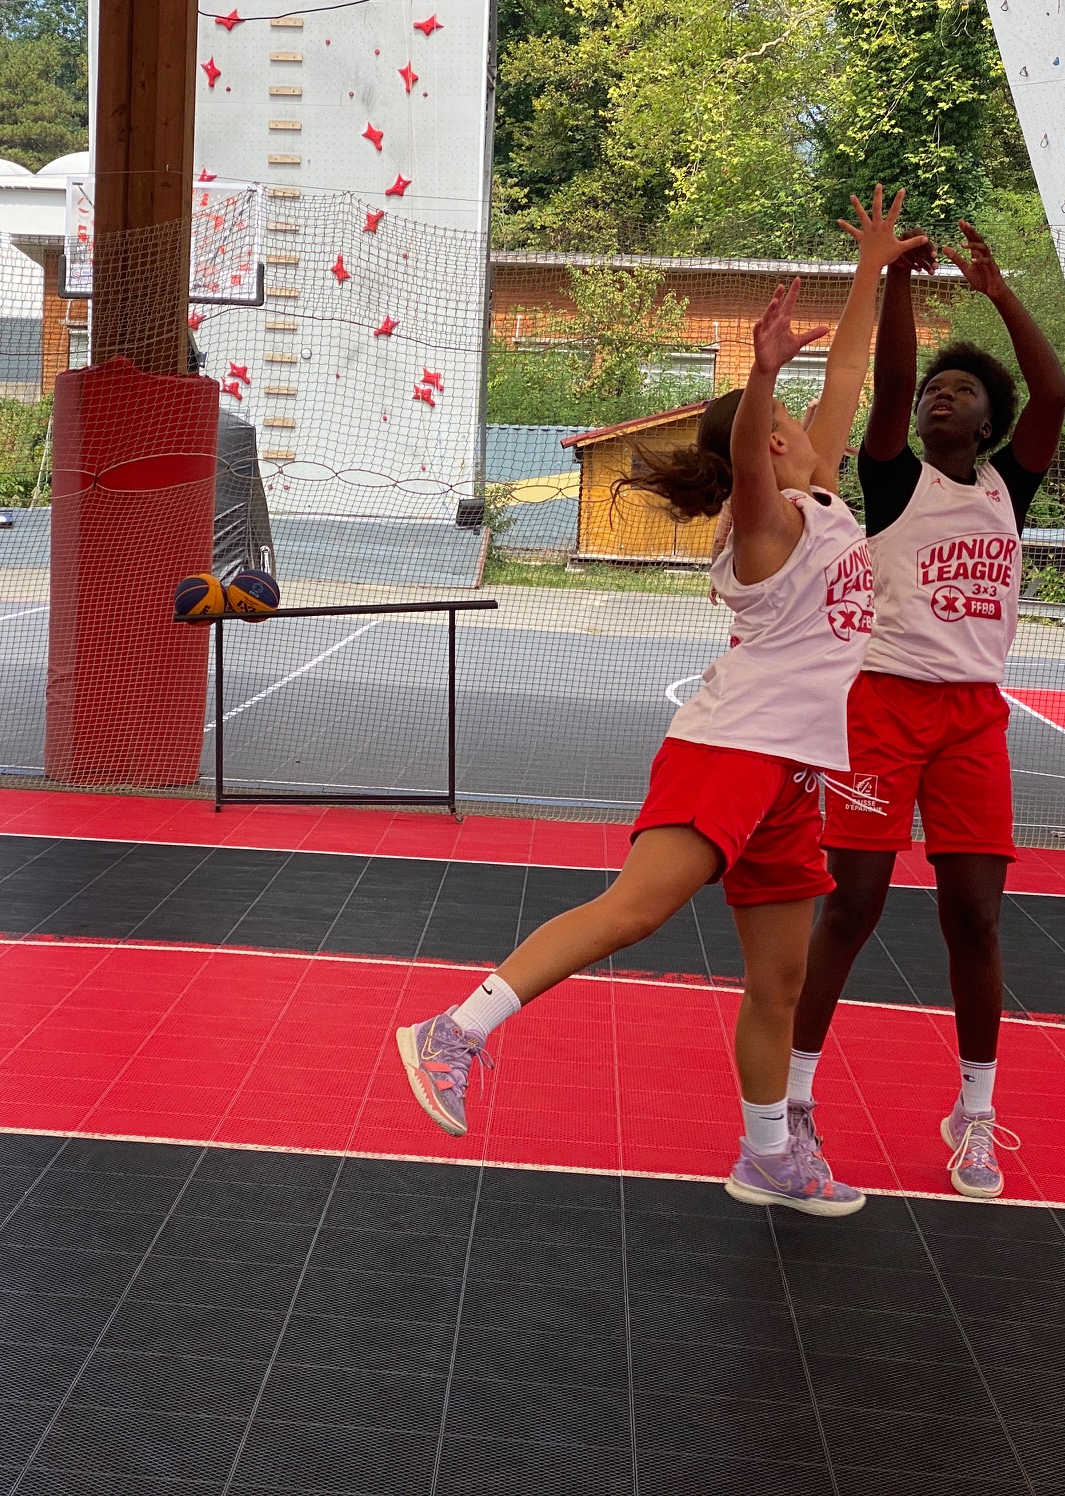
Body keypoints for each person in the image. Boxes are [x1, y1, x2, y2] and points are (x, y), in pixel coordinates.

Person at [394, 190, 928, 1216]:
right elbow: (753, 456)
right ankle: (452, 1031)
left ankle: (768, 1157)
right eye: (783, 423)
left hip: (789, 770)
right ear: (763, 450)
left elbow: (847, 379)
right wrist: (760, 374)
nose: (805, 426)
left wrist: (871, 270)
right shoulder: (764, 531)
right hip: (730, 750)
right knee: (636, 910)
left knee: (779, 982)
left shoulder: (820, 497)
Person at [790, 221, 1065, 1202]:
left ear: (990, 424)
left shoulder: (1007, 489)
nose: (942, 397)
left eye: (965, 392)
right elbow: (895, 383)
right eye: (934, 393)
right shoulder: (895, 479)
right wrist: (900, 284)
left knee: (975, 918)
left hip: (972, 722)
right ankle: (794, 1099)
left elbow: (1053, 394)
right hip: (883, 707)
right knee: (853, 903)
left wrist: (996, 289)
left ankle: (976, 1113)